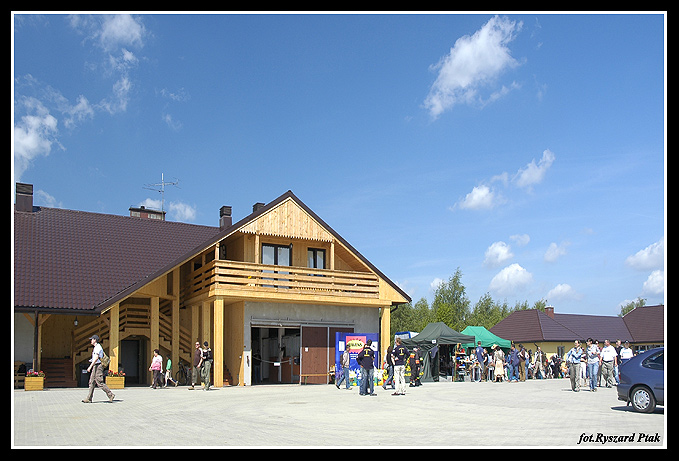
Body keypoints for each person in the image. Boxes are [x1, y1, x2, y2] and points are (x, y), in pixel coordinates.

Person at [82, 334, 115, 403]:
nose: (91, 341)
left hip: (98, 366)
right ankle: (89, 398)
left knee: (99, 382)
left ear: (95, 340)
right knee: (91, 382)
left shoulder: (98, 347)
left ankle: (110, 394)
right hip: (95, 365)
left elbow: (96, 358)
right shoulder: (96, 347)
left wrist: (90, 367)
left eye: (92, 339)